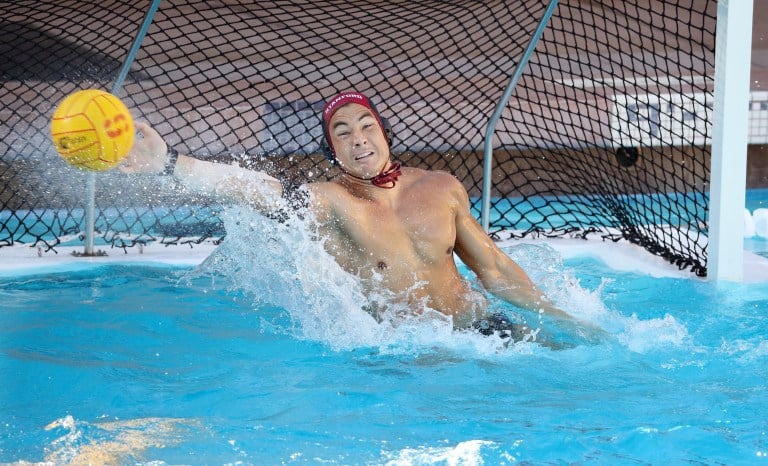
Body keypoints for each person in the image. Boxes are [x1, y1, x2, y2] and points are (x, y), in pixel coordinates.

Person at [121, 91, 596, 341]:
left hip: (479, 329)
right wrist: (168, 163)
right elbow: (258, 191)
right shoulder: (332, 202)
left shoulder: (441, 186)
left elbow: (492, 267)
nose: (359, 138)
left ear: (384, 133)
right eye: (343, 133)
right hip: (410, 351)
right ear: (334, 151)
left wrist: (563, 316)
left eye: (367, 126)